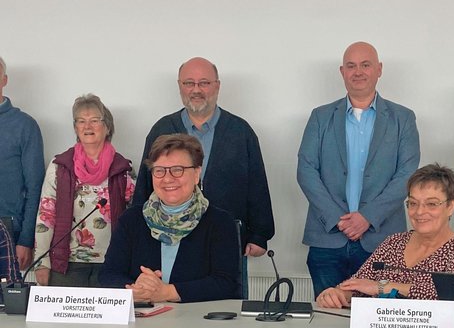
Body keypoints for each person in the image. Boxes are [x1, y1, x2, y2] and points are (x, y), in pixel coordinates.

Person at [132, 57, 274, 297]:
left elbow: (256, 184)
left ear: (217, 86)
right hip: (168, 240)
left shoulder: (241, 131)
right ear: (179, 86)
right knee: (169, 308)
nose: (196, 90)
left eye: (204, 83)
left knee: (224, 312)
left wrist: (260, 234)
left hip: (226, 241)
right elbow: (145, 186)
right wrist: (136, 233)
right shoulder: (162, 129)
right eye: (189, 83)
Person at [297, 41, 420, 299]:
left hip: (382, 240)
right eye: (351, 66)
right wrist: (338, 219)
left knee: (379, 327)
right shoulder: (320, 117)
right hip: (328, 239)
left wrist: (367, 216)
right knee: (328, 323)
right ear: (342, 71)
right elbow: (306, 170)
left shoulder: (403, 118)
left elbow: (407, 174)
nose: (358, 72)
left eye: (366, 65)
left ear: (379, 69)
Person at [316, 164, 454, 308]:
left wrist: (383, 287)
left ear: (451, 206)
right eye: (413, 203)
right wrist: (337, 294)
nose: (419, 212)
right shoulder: (393, 243)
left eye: (431, 204)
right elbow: (360, 284)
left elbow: (453, 298)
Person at [100, 134, 239, 302]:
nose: (167, 178)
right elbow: (108, 275)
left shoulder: (220, 222)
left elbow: (226, 284)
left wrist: (168, 292)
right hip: (143, 322)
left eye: (177, 170)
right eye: (159, 171)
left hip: (198, 321)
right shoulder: (131, 220)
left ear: (196, 173)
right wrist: (134, 288)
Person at [33, 94, 135, 287]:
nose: (87, 126)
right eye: (81, 121)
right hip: (65, 266)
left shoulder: (124, 169)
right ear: (75, 128)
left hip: (112, 264)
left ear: (107, 127)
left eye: (94, 120)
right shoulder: (59, 167)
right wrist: (41, 263)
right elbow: (45, 216)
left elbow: (134, 222)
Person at [0, 56, 45, 271]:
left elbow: (35, 187)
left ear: (4, 80)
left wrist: (26, 239)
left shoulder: (25, 126)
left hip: (8, 233)